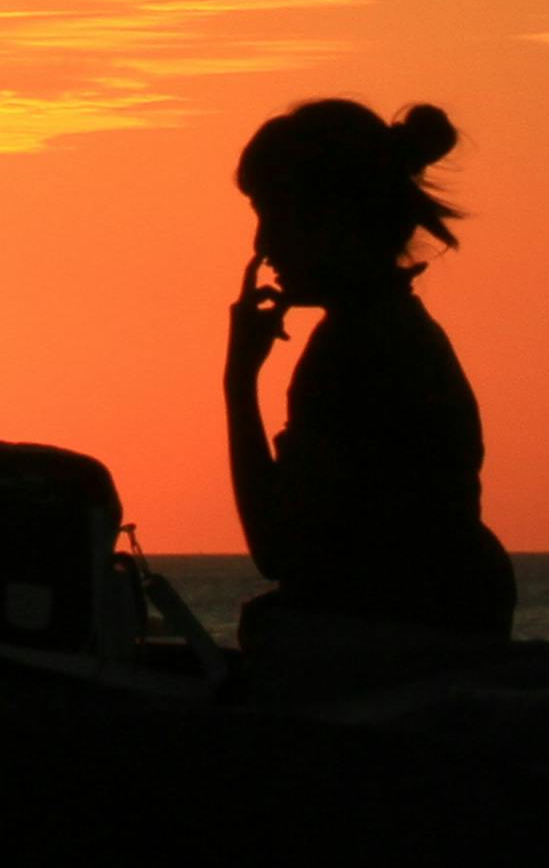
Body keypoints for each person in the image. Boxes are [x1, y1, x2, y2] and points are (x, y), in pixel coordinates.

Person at [219, 98, 516, 641]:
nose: (262, 244)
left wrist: (238, 384)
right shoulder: (399, 330)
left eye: (275, 216)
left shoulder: (351, 354)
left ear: (333, 220)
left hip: (393, 652)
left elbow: (279, 550)